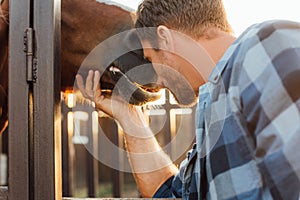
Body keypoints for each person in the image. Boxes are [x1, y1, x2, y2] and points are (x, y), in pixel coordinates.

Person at [76, 0, 300, 199]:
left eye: (150, 59)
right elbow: (168, 193)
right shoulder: (212, 113)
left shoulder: (264, 46)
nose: (159, 81)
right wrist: (129, 117)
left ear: (164, 39)